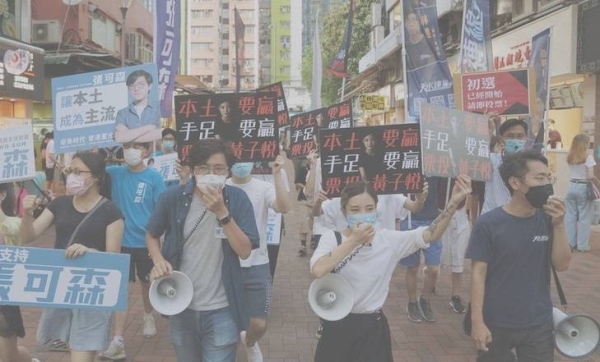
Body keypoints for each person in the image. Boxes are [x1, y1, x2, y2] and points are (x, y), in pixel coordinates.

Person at [310, 176, 472, 362]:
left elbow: (431, 233)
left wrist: (453, 203)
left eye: (369, 209)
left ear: (377, 209)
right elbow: (318, 270)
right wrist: (353, 240)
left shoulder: (388, 240)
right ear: (344, 211)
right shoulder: (332, 238)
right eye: (355, 210)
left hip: (371, 327)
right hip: (336, 325)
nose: (363, 214)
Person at [146, 139, 260, 362]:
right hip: (180, 303)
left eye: (218, 169)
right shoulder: (172, 198)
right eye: (203, 168)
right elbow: (151, 234)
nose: (211, 173)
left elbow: (245, 250)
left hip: (223, 307)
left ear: (228, 171)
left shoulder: (237, 200)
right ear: (193, 169)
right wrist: (158, 259)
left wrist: (222, 213)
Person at [467, 150, 571, 361]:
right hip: (496, 321)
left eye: (548, 178)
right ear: (515, 183)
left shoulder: (547, 219)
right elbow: (478, 273)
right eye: (539, 178)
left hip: (538, 322)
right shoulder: (488, 223)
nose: (546, 184)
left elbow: (561, 264)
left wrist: (559, 225)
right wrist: (477, 322)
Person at [20, 152, 124, 362]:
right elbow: (28, 237)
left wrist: (91, 253)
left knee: (81, 353)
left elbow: (114, 259)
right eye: (70, 171)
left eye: (78, 172)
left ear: (95, 177)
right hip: (62, 288)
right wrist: (27, 214)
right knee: (75, 348)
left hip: (91, 290)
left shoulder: (111, 212)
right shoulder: (59, 204)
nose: (71, 176)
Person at [100, 142, 166, 361]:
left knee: (147, 282)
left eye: (137, 146)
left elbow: (161, 209)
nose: (131, 150)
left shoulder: (154, 177)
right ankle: (118, 339)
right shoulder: (115, 173)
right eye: (128, 145)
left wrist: (159, 240)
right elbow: (95, 169)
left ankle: (148, 315)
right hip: (120, 241)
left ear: (146, 151)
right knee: (122, 288)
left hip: (146, 241)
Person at [226, 156, 291, 362]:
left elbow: (284, 207)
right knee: (226, 320)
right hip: (226, 263)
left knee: (259, 323)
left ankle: (250, 342)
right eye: (235, 159)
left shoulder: (263, 187)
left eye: (244, 158)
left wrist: (277, 176)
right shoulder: (221, 186)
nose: (241, 163)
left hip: (258, 263)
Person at [0, 182, 40, 362]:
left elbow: (25, 236)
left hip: (4, 300)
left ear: (2, 195)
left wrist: (28, 213)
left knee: (8, 356)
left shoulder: (12, 225)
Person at [400, 176, 444, 323]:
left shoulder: (436, 160)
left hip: (433, 219)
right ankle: (412, 302)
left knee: (434, 269)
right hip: (410, 219)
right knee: (412, 268)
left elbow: (443, 188)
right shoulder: (407, 160)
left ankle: (424, 298)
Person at [481, 118, 529, 215]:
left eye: (520, 136)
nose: (515, 140)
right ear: (502, 139)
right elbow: (479, 156)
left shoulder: (532, 165)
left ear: (526, 138)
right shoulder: (493, 160)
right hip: (492, 219)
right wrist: (489, 130)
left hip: (520, 219)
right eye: (510, 136)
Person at [565, 134, 598, 252]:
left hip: (571, 186)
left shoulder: (570, 157)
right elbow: (590, 176)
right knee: (584, 217)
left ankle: (570, 243)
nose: (589, 144)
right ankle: (582, 246)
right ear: (584, 144)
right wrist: (597, 180)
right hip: (583, 187)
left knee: (570, 216)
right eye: (588, 142)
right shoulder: (588, 158)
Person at [114, 70, 162, 144]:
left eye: (141, 85)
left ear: (149, 86)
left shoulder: (159, 109)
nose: (136, 89)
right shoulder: (122, 113)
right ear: (128, 89)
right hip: (130, 155)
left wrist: (128, 137)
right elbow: (118, 138)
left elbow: (161, 134)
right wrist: (148, 128)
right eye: (132, 85)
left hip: (154, 154)